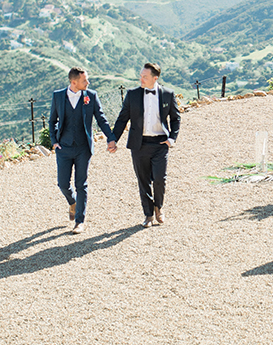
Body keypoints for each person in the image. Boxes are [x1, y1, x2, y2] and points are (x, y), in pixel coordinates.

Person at [112, 62, 181, 227]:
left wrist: (172, 139)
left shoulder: (168, 94)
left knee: (159, 179)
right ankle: (148, 215)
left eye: (145, 76)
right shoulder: (132, 95)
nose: (140, 78)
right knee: (143, 181)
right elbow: (122, 119)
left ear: (155, 78)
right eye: (140, 75)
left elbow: (175, 118)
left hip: (160, 143)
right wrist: (114, 139)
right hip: (139, 144)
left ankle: (159, 207)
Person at [49, 67, 114, 234]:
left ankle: (80, 221)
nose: (88, 83)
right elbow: (52, 121)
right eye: (85, 80)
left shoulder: (91, 96)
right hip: (63, 147)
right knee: (62, 184)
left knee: (81, 184)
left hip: (83, 148)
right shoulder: (58, 96)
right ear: (74, 82)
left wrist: (111, 137)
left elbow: (101, 118)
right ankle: (73, 202)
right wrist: (54, 141)